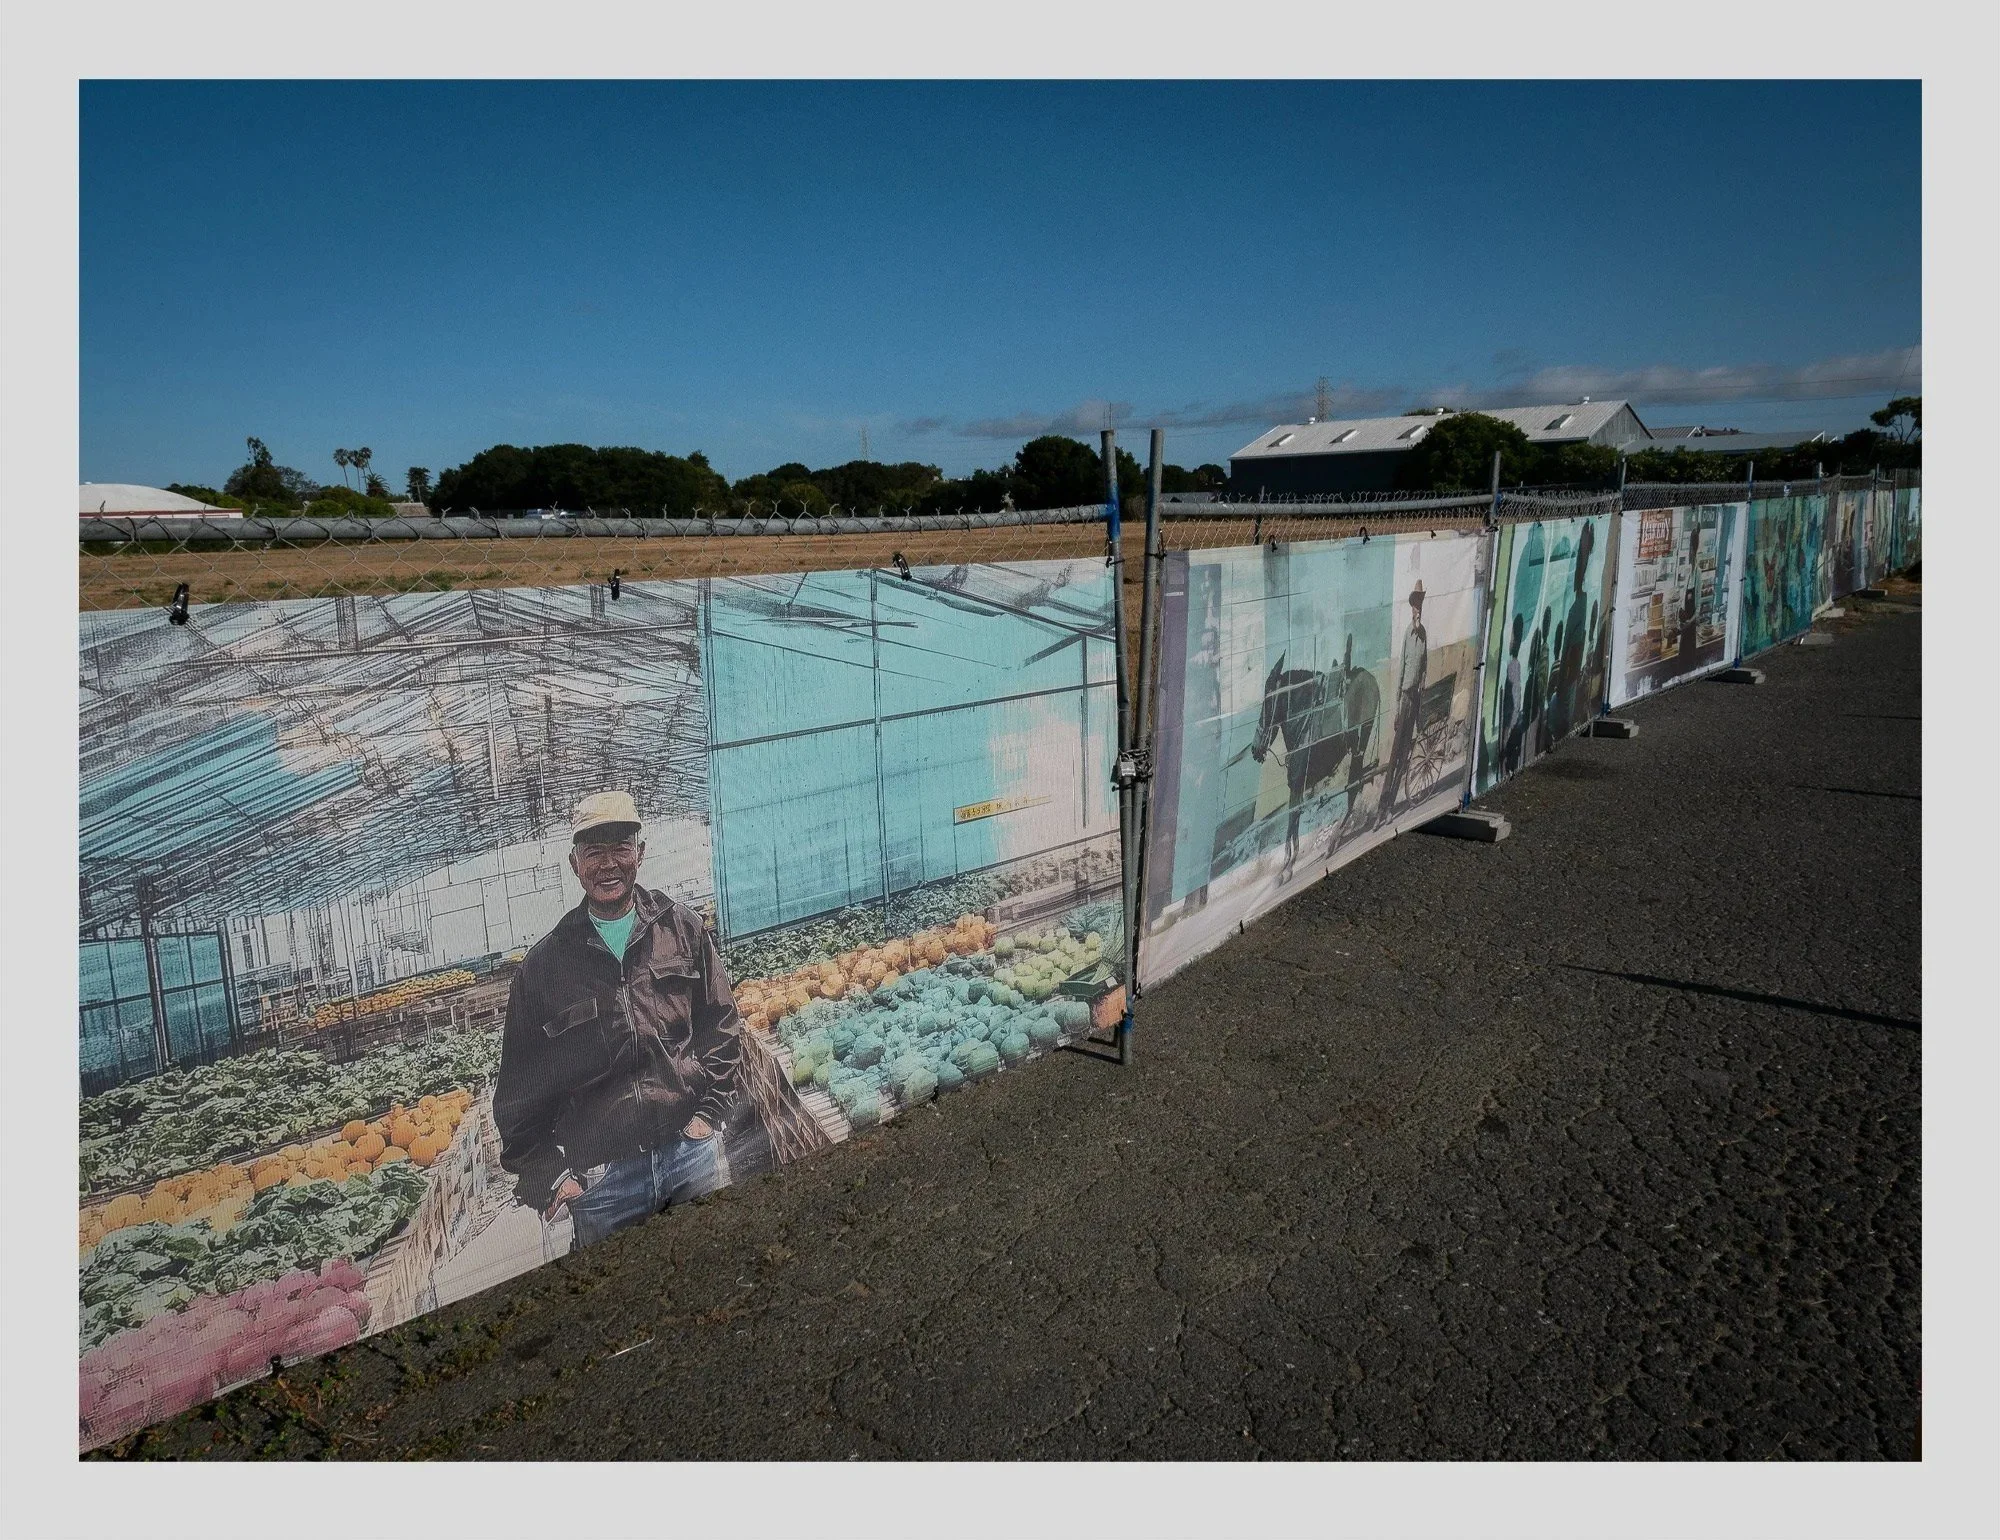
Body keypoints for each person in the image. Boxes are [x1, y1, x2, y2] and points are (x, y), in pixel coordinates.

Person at [493, 791, 826, 1250]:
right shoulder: (544, 968)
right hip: (603, 1185)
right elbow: (518, 1091)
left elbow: (722, 1026)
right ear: (574, 864)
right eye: (594, 852)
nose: (608, 864)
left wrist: (708, 1116)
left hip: (690, 1157)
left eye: (620, 848)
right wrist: (549, 1178)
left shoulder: (681, 929)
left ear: (641, 853)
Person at [1379, 580, 1428, 815]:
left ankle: (1391, 806)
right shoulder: (1408, 634)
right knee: (1395, 755)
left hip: (1416, 699)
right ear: (1411, 608)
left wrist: (1423, 686)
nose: (1418, 608)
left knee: (1406, 754)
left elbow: (1424, 665)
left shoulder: (1424, 634)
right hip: (1405, 699)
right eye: (1415, 604)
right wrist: (1398, 708)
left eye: (1420, 604)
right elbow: (1400, 674)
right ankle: (1382, 805)